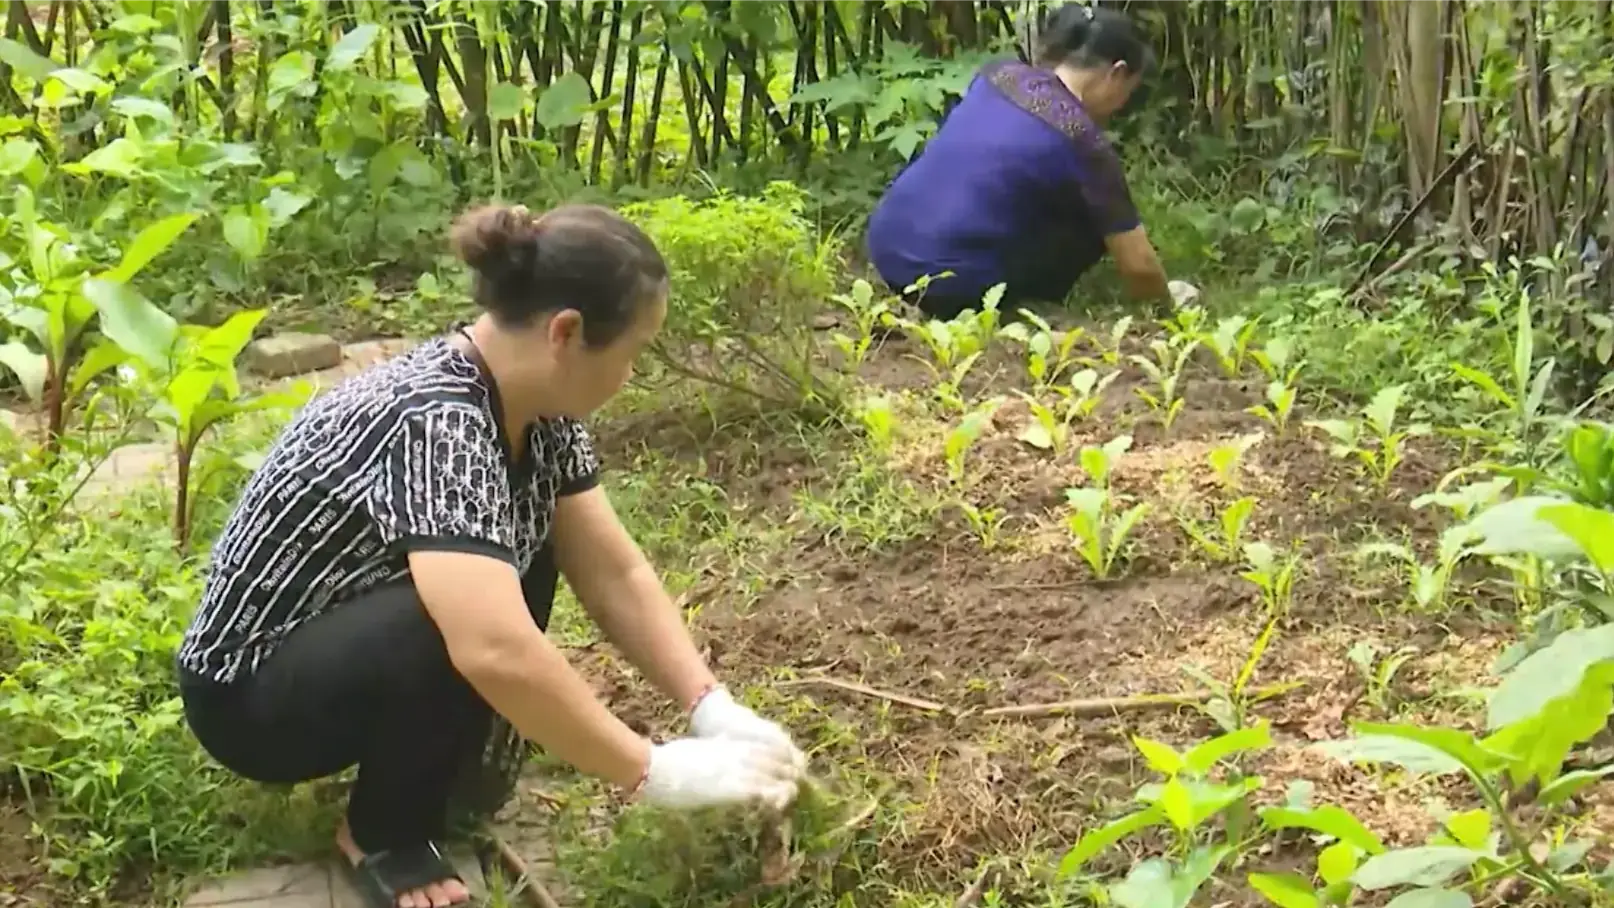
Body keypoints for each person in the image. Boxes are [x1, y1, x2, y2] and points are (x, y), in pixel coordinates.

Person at [175, 203, 807, 908]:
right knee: (463, 621)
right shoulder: (438, 419)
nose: (631, 374)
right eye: (631, 353)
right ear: (565, 332)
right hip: (252, 695)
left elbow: (614, 571)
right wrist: (652, 771)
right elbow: (493, 648)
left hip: (353, 638)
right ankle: (382, 831)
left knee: (520, 559)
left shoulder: (540, 411)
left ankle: (424, 766)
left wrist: (708, 706)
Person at [864, 4, 1199, 321]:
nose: (1122, 105)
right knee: (1094, 220)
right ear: (1117, 73)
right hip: (946, 284)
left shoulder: (999, 75)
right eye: (1129, 91)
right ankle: (1021, 305)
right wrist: (1167, 309)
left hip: (886, 248)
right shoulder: (1081, 139)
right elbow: (1140, 266)